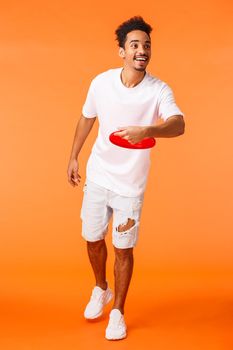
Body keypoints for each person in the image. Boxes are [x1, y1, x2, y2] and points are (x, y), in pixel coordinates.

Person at [67, 15, 185, 340]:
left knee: (123, 249)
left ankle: (117, 311)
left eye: (146, 45)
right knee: (92, 239)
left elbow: (179, 124)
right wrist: (73, 156)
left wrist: (146, 130)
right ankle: (100, 288)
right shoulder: (101, 83)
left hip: (130, 186)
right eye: (134, 45)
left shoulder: (159, 90)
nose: (141, 50)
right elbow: (86, 118)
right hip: (98, 175)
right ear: (122, 50)